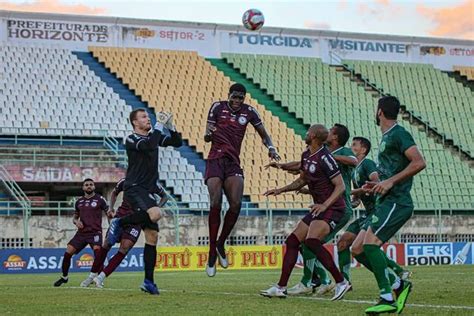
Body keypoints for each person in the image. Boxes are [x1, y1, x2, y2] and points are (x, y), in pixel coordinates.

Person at [260, 124, 351, 300]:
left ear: (315, 136)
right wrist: (281, 190)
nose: (306, 134)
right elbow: (302, 180)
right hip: (319, 207)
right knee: (293, 241)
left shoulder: (326, 158)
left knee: (311, 241)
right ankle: (280, 287)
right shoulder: (306, 155)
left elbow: (341, 186)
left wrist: (325, 205)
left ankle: (341, 282)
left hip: (332, 207)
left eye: (309, 132)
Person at [203, 83, 280, 277]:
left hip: (233, 162)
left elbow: (264, 134)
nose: (237, 101)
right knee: (215, 202)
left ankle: (221, 244)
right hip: (215, 160)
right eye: (234, 97)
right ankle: (211, 253)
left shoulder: (250, 112)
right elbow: (208, 130)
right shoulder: (217, 107)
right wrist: (208, 134)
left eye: (240, 98)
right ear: (229, 95)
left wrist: (271, 148)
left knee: (236, 204)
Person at [361, 96, 426, 314]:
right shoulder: (387, 136)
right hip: (386, 199)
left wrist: (390, 182)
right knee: (358, 248)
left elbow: (419, 162)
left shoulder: (399, 134)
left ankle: (387, 297)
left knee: (370, 245)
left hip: (397, 201)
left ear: (380, 111)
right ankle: (399, 285)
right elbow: (391, 171)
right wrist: (378, 184)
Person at [107, 108, 182, 295]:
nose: (147, 119)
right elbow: (149, 145)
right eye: (143, 117)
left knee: (152, 237)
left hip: (147, 190)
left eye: (148, 117)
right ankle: (119, 221)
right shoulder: (132, 139)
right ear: (134, 122)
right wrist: (159, 125)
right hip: (134, 187)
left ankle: (148, 281)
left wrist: (170, 126)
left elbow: (177, 142)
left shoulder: (151, 138)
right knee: (156, 213)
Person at [80, 178, 169, 288]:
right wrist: (111, 208)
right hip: (120, 217)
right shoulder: (126, 181)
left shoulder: (152, 183)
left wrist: (156, 208)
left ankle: (100, 277)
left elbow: (165, 196)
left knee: (125, 248)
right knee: (106, 244)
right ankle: (91, 276)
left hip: (136, 222)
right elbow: (114, 192)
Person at [349, 137, 410, 285]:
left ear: (363, 149)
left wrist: (367, 189)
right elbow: (358, 196)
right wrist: (354, 200)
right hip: (368, 211)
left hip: (376, 210)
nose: (351, 147)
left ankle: (393, 280)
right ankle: (396, 276)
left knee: (364, 247)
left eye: (354, 144)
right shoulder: (354, 170)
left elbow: (376, 181)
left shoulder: (367, 164)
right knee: (356, 247)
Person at [53, 178, 109, 287]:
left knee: (98, 253)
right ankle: (64, 277)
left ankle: (99, 279)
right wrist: (75, 221)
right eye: (86, 185)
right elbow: (75, 217)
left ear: (94, 187)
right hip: (82, 233)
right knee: (68, 252)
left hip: (95, 232)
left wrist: (112, 225)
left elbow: (108, 213)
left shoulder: (100, 199)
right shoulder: (79, 201)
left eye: (91, 184)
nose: (89, 186)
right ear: (83, 187)